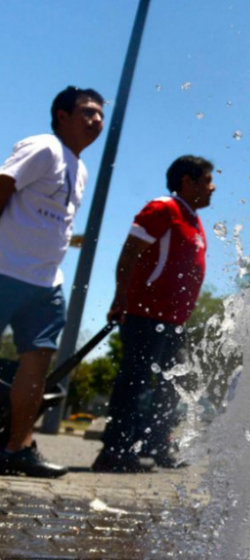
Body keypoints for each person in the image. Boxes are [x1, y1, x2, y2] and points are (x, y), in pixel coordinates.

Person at [0, 87, 105, 478]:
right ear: (62, 115)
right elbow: (4, 184)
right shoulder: (43, 147)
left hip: (46, 283)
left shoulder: (80, 167)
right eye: (87, 112)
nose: (96, 120)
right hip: (4, 268)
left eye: (99, 114)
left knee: (38, 362)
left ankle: (17, 448)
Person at [92, 155, 214, 473]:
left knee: (170, 385)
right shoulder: (162, 208)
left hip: (174, 320)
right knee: (134, 381)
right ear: (187, 181)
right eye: (207, 181)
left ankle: (156, 446)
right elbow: (130, 251)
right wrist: (121, 298)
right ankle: (114, 451)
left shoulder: (192, 218)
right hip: (146, 314)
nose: (213, 188)